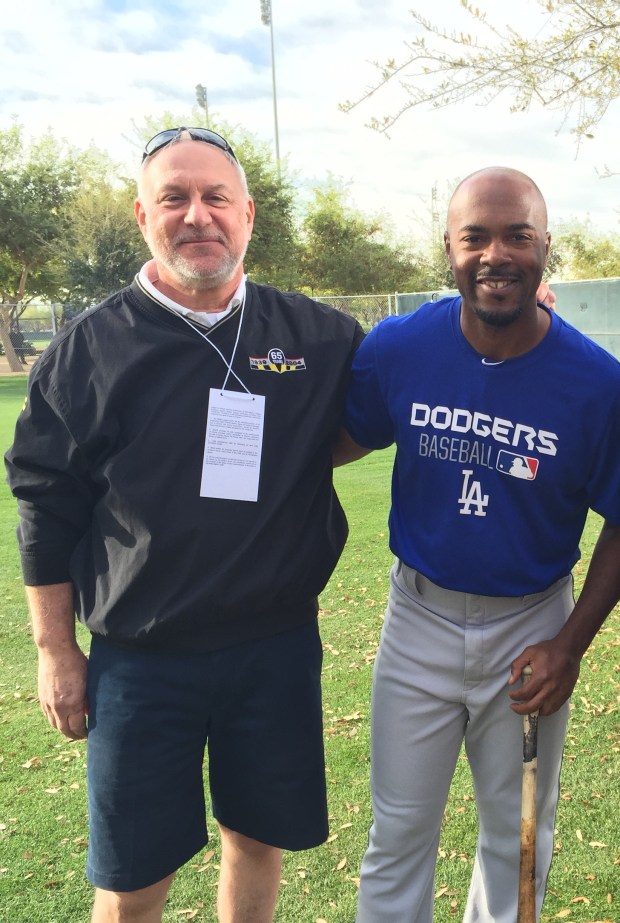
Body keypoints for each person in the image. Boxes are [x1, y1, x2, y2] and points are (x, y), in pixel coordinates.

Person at [5, 127, 364, 923]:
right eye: (175, 197)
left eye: (215, 198)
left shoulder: (319, 336)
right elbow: (43, 504)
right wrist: (56, 651)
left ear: (248, 214)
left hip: (273, 647)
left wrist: (519, 316)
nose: (197, 215)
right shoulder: (85, 351)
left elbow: (406, 380)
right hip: (140, 660)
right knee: (133, 877)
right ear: (143, 214)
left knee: (256, 841)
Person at [338, 167, 620, 923]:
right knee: (397, 834)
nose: (497, 254)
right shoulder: (401, 345)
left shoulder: (597, 383)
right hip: (418, 619)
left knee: (518, 838)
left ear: (545, 248)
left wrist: (571, 643)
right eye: (476, 237)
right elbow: (337, 437)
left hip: (533, 622)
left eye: (517, 235)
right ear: (449, 249)